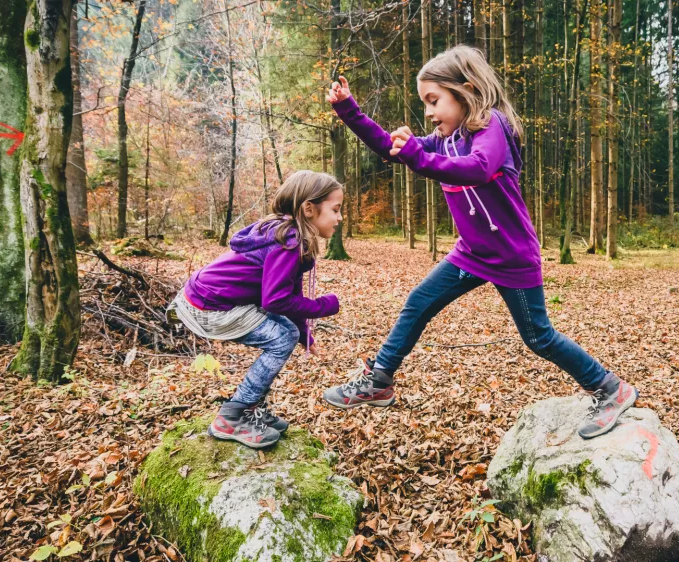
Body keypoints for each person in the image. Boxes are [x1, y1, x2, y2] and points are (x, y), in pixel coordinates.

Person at [323, 46, 637, 439]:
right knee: (419, 301)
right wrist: (349, 110)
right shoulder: (444, 140)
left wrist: (419, 157)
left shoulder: (494, 127)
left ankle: (610, 388)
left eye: (434, 100)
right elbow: (391, 148)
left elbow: (479, 167)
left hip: (511, 257)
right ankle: (380, 379)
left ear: (466, 90)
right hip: (469, 254)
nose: (429, 112)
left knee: (539, 337)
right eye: (425, 104)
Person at [167, 171, 343, 448]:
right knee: (281, 337)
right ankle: (233, 417)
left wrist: (304, 334)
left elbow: (288, 294)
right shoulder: (289, 242)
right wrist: (323, 306)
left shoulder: (287, 234)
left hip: (201, 297)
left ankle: (250, 409)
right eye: (335, 209)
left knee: (285, 332)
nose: (340, 218)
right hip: (209, 306)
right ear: (309, 208)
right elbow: (275, 301)